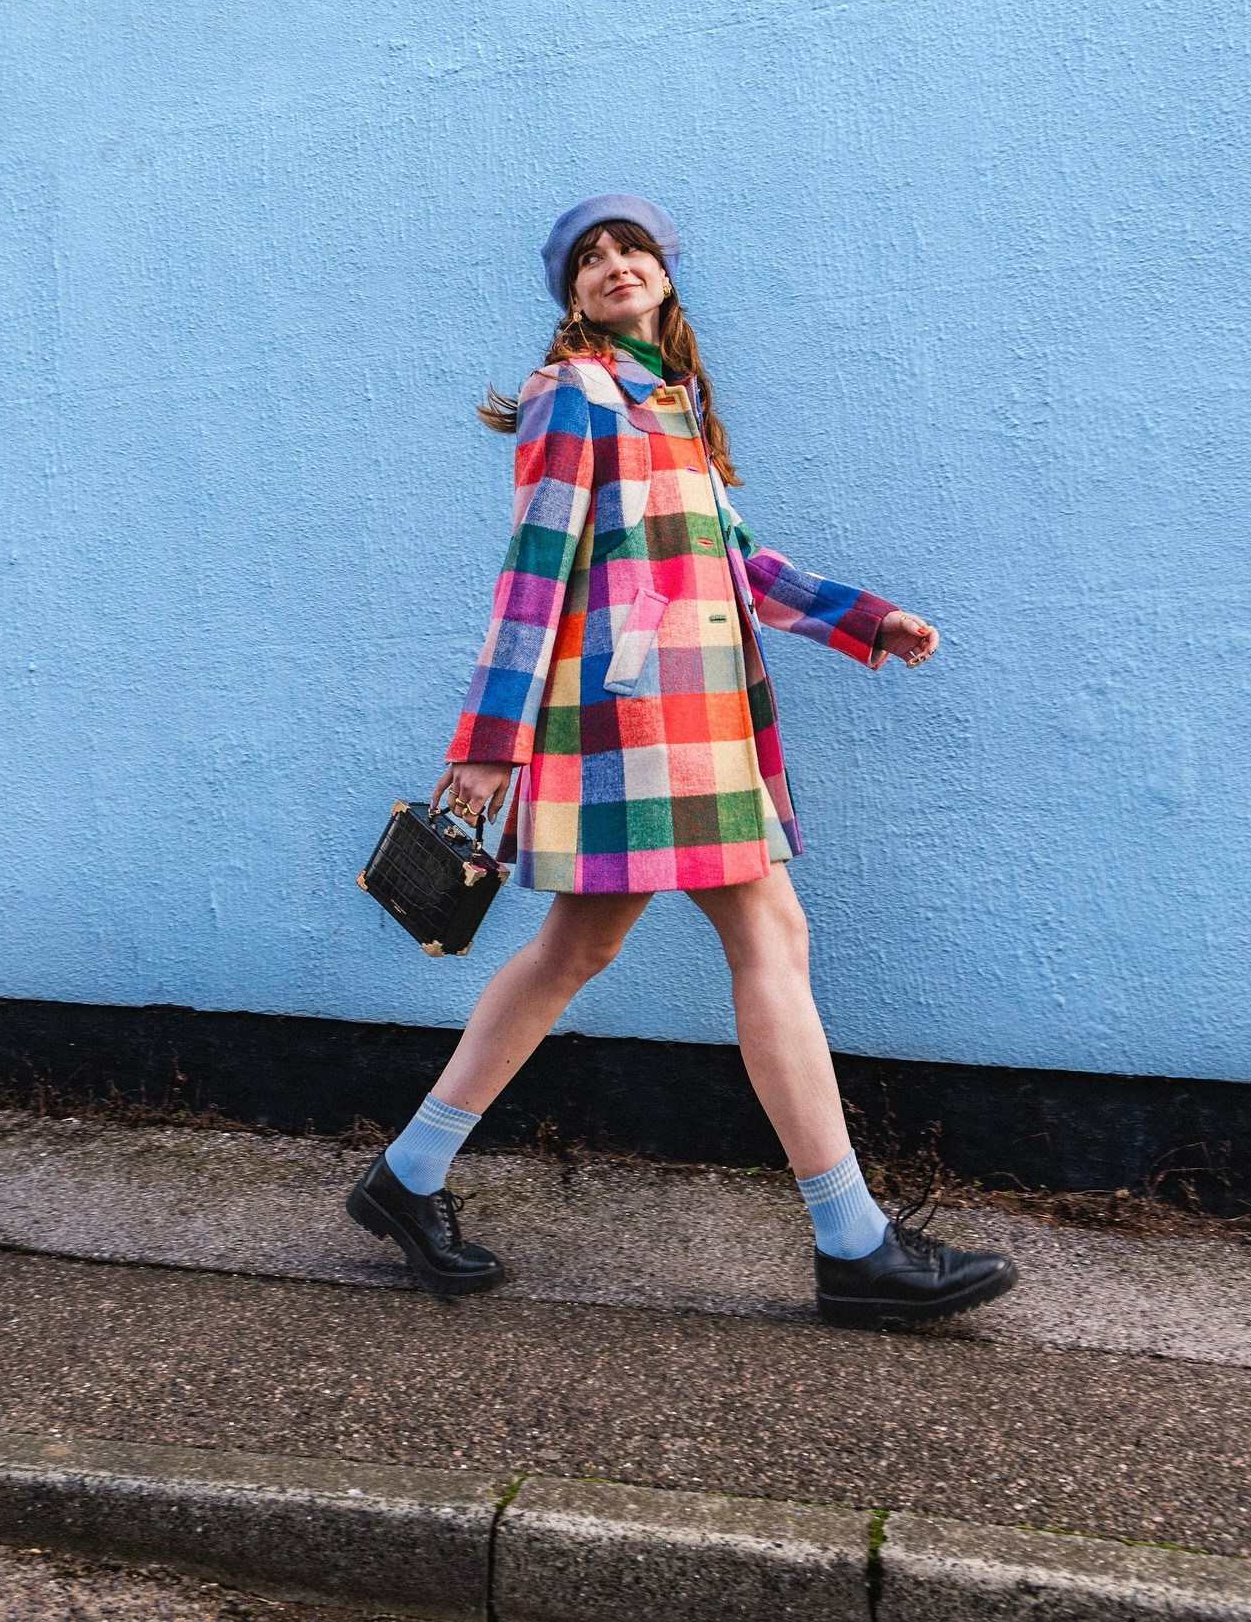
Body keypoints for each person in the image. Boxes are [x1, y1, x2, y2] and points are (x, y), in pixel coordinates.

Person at [347, 193, 1018, 1330]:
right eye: (588, 259)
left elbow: (736, 564)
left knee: (578, 949)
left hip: (690, 715)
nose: (613, 264)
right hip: (641, 721)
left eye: (632, 248)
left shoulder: (674, 407)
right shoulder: (576, 394)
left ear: (664, 272)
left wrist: (864, 620)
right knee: (764, 934)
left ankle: (407, 1178)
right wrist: (487, 744)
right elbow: (535, 568)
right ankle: (853, 1245)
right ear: (570, 296)